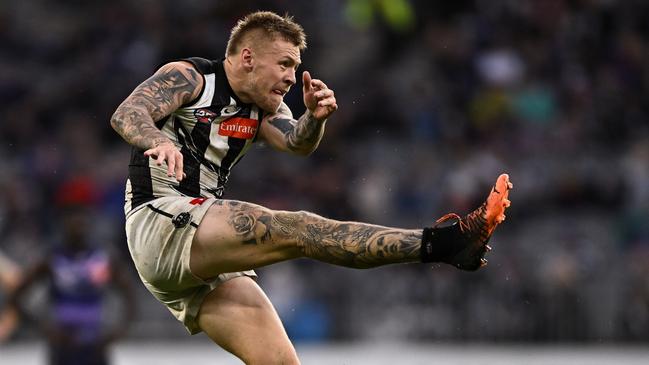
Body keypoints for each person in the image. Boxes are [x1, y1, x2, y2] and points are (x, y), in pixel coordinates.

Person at [110, 10, 512, 364]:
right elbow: (128, 112)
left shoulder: (264, 106)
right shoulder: (192, 77)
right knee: (299, 228)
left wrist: (315, 119)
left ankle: (445, 246)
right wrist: (158, 140)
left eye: (295, 65)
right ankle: (443, 244)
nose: (290, 76)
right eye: (284, 63)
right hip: (160, 220)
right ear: (248, 57)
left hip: (199, 250)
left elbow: (296, 143)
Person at [9, 177, 136, 365]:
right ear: (63, 221)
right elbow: (18, 294)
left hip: (95, 344)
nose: (77, 222)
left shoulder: (103, 257)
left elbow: (129, 294)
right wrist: (41, 327)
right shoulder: (51, 257)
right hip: (62, 345)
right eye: (72, 216)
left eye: (82, 215)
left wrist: (119, 331)